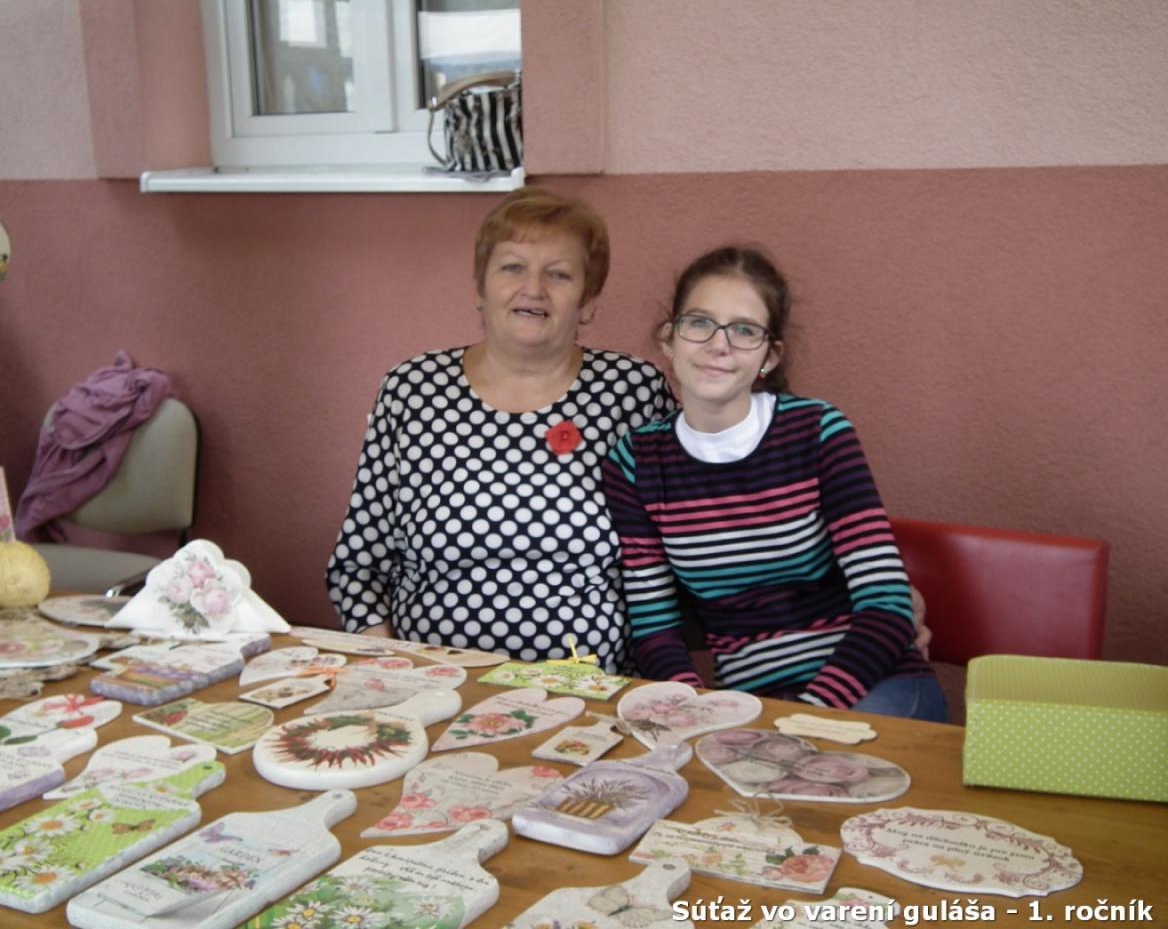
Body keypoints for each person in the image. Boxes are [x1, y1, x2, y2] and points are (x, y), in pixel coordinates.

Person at [326, 187, 674, 673]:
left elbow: (678, 553)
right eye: (512, 267)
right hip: (436, 686)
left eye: (559, 273)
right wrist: (395, 670)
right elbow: (357, 567)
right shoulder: (412, 390)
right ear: (479, 288)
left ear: (588, 302)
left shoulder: (633, 392)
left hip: (594, 688)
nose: (534, 287)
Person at [602, 245, 945, 719]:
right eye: (699, 323)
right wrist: (694, 713)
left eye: (745, 330)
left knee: (813, 759)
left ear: (770, 355)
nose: (719, 344)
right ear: (669, 338)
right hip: (754, 707)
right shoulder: (635, 461)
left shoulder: (818, 431)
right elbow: (655, 627)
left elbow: (888, 606)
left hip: (872, 684)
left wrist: (807, 714)